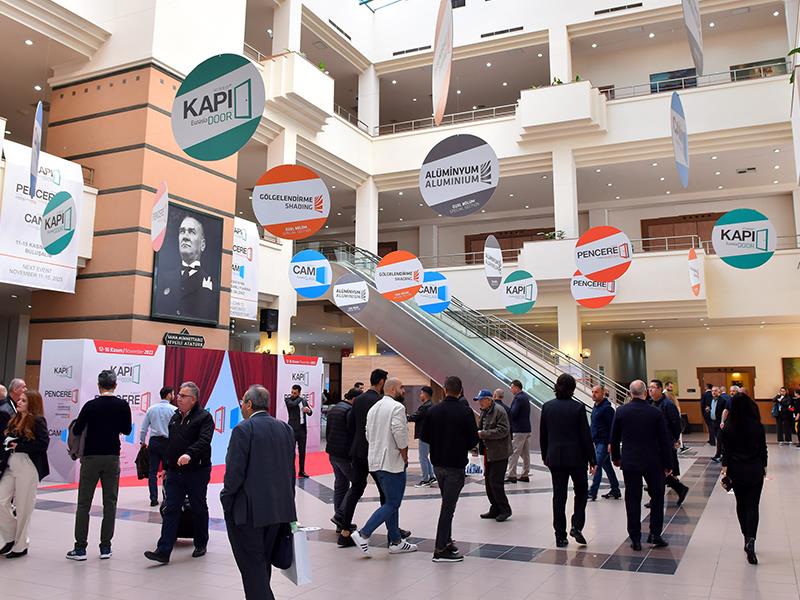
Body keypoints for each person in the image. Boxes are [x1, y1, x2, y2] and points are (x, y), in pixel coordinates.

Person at [222, 385, 296, 599]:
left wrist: (226, 499)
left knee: (252, 568)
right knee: (263, 564)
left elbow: (234, 473)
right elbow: (290, 471)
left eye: (242, 402)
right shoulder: (285, 428)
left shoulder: (243, 429)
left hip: (249, 513)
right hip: (279, 510)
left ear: (249, 404)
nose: (241, 406)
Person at [335, 369, 410, 542]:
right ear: (382, 382)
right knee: (388, 496)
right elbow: (394, 432)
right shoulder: (382, 402)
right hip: (377, 453)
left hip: (359, 451)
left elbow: (351, 423)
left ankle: (344, 530)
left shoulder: (359, 400)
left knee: (356, 488)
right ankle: (391, 533)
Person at [144, 382, 214, 564]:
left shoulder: (204, 418)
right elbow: (172, 444)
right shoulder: (175, 416)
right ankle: (163, 550)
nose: (178, 398)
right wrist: (167, 466)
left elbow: (204, 440)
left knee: (198, 507)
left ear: (193, 399)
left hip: (197, 471)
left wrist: (189, 454)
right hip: (175, 471)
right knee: (171, 508)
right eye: (179, 395)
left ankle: (201, 543)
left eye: (183, 396)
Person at [67, 370, 132, 561]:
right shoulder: (122, 405)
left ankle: (80, 548)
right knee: (110, 503)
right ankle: (105, 547)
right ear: (115, 385)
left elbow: (77, 429)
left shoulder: (90, 406)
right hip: (112, 456)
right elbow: (127, 429)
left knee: (84, 503)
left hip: (91, 457)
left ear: (98, 385)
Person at [350, 378, 417, 556]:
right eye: (402, 387)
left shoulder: (374, 408)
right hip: (392, 463)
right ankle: (363, 534)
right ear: (393, 389)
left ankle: (396, 541)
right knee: (393, 503)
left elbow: (367, 433)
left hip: (375, 461)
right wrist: (404, 455)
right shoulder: (397, 408)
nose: (404, 390)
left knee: (390, 501)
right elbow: (400, 434)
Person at [421, 376, 479, 562]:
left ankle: (446, 541)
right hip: (455, 464)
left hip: (438, 464)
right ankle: (440, 549)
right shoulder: (465, 412)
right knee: (448, 507)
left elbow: (425, 436)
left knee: (447, 503)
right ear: (460, 391)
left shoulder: (433, 410)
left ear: (445, 390)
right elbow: (473, 440)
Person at [610, 380, 674, 551]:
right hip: (653, 461)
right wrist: (668, 463)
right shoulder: (655, 412)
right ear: (645, 392)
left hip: (630, 461)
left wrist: (616, 457)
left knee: (632, 499)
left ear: (630, 393)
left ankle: (635, 538)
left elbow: (614, 438)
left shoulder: (621, 411)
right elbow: (664, 440)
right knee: (657, 496)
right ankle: (655, 534)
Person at [540, 374, 595, 547]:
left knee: (559, 496)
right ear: (573, 389)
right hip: (577, 458)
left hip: (555, 458)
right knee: (581, 492)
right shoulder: (578, 408)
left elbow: (543, 435)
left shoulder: (547, 407)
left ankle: (560, 535)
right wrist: (592, 459)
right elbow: (585, 435)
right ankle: (576, 526)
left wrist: (545, 455)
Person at [0, 389, 49, 558]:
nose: (19, 402)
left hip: (28, 466)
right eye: (19, 400)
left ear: (32, 403)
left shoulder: (38, 420)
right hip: (10, 464)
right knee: (1, 500)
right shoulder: (15, 418)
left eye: (23, 400)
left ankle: (20, 545)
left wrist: (19, 446)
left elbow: (43, 444)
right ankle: (11, 537)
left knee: (23, 507)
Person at [720, 391, 767, 565]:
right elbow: (763, 449)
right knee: (753, 506)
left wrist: (725, 470)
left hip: (736, 469)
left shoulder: (729, 426)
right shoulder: (757, 426)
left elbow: (726, 451)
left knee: (741, 504)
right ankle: (751, 539)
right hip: (755, 469)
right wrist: (764, 466)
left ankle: (745, 535)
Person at [154, 214, 218, 322]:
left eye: (191, 232)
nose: (185, 237)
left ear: (202, 245)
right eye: (182, 231)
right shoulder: (163, 279)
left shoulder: (212, 284)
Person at [649, 379, 689, 505]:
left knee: (658, 471)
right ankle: (680, 489)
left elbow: (676, 424)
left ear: (660, 389)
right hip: (655, 442)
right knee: (658, 472)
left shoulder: (667, 404)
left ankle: (658, 498)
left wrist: (675, 439)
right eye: (649, 388)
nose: (650, 390)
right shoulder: (652, 403)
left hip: (665, 442)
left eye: (653, 387)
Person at [326, 387, 357, 548]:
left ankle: (340, 522)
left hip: (332, 453)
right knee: (357, 484)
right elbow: (352, 433)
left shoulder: (334, 408)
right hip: (344, 455)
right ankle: (340, 516)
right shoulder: (349, 411)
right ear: (354, 400)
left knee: (340, 485)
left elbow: (328, 431)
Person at [476, 389, 512, 521]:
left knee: (496, 483)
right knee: (488, 483)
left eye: (481, 400)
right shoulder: (484, 411)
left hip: (500, 452)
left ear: (489, 399)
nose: (479, 403)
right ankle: (495, 508)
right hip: (489, 452)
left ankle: (505, 510)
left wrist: (483, 434)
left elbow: (503, 430)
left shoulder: (499, 411)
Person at [140, 386, 176, 506]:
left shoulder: (151, 409)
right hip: (168, 443)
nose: (174, 396)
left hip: (154, 442)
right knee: (169, 470)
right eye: (173, 393)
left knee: (152, 472)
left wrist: (142, 442)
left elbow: (144, 429)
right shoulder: (174, 410)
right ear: (169, 395)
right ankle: (167, 497)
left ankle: (153, 499)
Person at [588, 385, 620, 501]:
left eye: (596, 392)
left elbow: (613, 427)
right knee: (607, 467)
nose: (593, 394)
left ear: (603, 393)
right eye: (592, 392)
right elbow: (594, 424)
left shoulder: (607, 409)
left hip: (604, 442)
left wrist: (611, 442)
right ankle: (615, 489)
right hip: (598, 441)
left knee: (597, 465)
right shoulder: (596, 407)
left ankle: (592, 492)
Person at [407, 385, 435, 487]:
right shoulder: (431, 405)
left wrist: (405, 416)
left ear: (425, 394)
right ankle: (431, 476)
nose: (420, 395)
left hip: (424, 435)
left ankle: (425, 479)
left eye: (421, 393)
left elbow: (415, 416)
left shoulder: (425, 407)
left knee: (422, 457)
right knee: (425, 457)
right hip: (429, 434)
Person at [505, 380, 531, 483]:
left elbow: (513, 413)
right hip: (526, 429)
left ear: (516, 387)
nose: (511, 389)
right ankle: (525, 474)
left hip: (519, 429)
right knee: (525, 454)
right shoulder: (525, 397)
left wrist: (507, 410)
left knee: (514, 453)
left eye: (511, 387)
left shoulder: (518, 398)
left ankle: (511, 474)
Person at [285, 384, 312, 478]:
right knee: (291, 451)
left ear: (299, 393)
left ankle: (302, 471)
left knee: (302, 452)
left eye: (295, 393)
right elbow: (292, 404)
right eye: (292, 392)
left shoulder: (303, 401)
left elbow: (310, 413)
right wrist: (300, 399)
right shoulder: (288, 400)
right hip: (292, 429)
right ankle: (290, 471)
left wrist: (308, 410)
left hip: (302, 429)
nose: (292, 394)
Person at [710, 386, 727, 462]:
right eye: (712, 391)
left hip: (720, 423)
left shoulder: (722, 401)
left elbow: (725, 412)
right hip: (714, 422)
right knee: (718, 439)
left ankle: (720, 455)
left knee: (720, 439)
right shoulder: (712, 400)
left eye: (715, 391)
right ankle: (720, 455)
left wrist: (723, 422)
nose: (713, 392)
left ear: (719, 392)